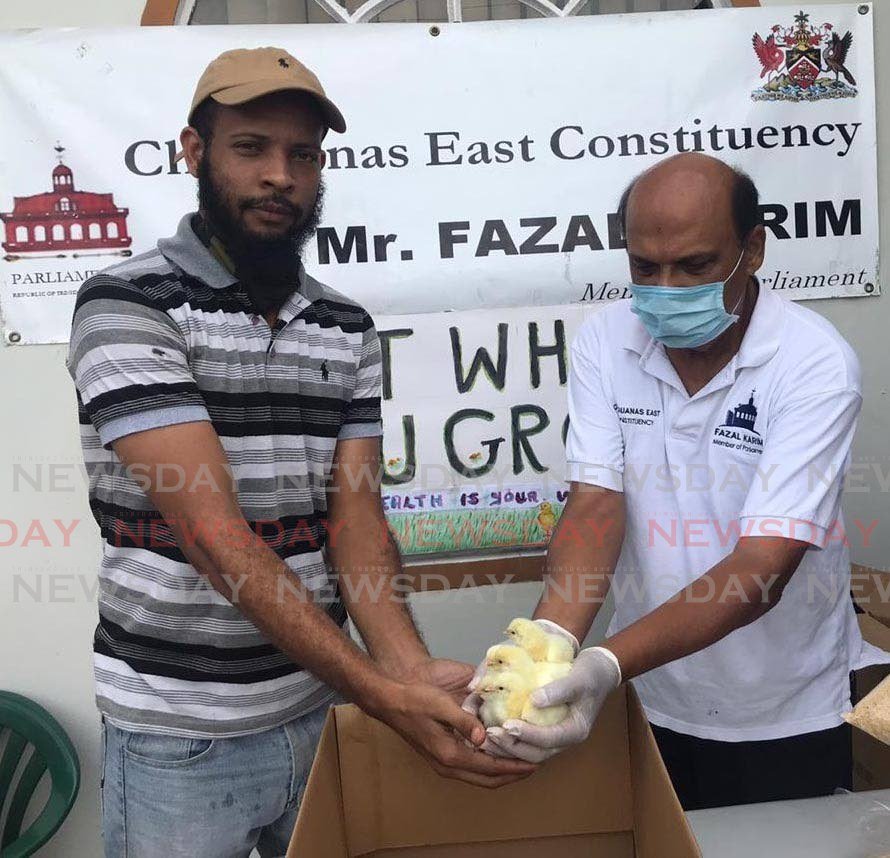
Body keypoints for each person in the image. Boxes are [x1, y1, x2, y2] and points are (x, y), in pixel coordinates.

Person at [67, 47, 533, 857]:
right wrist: (382, 692)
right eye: (251, 147)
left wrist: (408, 669)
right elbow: (216, 540)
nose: (280, 174)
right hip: (183, 734)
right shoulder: (129, 303)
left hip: (319, 716)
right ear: (194, 151)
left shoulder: (344, 326)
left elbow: (355, 522)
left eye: (303, 154)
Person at [466, 152, 886, 810]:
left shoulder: (813, 363)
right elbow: (597, 505)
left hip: (781, 708)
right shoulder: (606, 342)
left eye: (693, 266)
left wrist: (605, 664)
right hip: (655, 695)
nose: (664, 288)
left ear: (752, 250)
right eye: (644, 267)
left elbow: (760, 568)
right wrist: (543, 650)